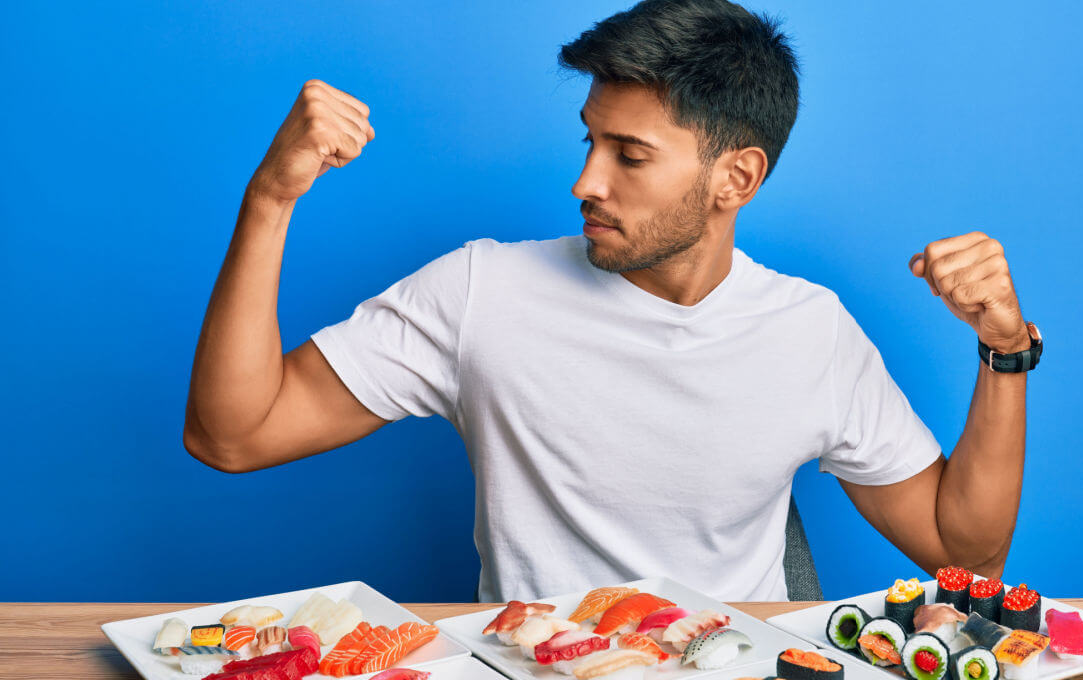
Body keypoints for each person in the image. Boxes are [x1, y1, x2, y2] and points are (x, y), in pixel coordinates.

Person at [184, 0, 1038, 603]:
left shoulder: (810, 331)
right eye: (590, 141)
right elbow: (232, 435)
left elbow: (966, 552)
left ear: (734, 179)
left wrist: (1003, 350)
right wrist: (270, 199)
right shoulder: (482, 291)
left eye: (629, 155)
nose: (584, 181)